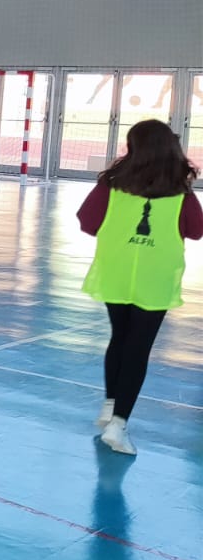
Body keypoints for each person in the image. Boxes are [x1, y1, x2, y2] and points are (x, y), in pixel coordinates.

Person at [77, 119, 202, 455]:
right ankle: (119, 425)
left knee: (120, 337)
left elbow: (87, 222)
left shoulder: (112, 183)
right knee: (138, 348)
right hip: (156, 276)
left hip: (116, 271)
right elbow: (196, 230)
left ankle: (109, 406)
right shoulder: (180, 190)